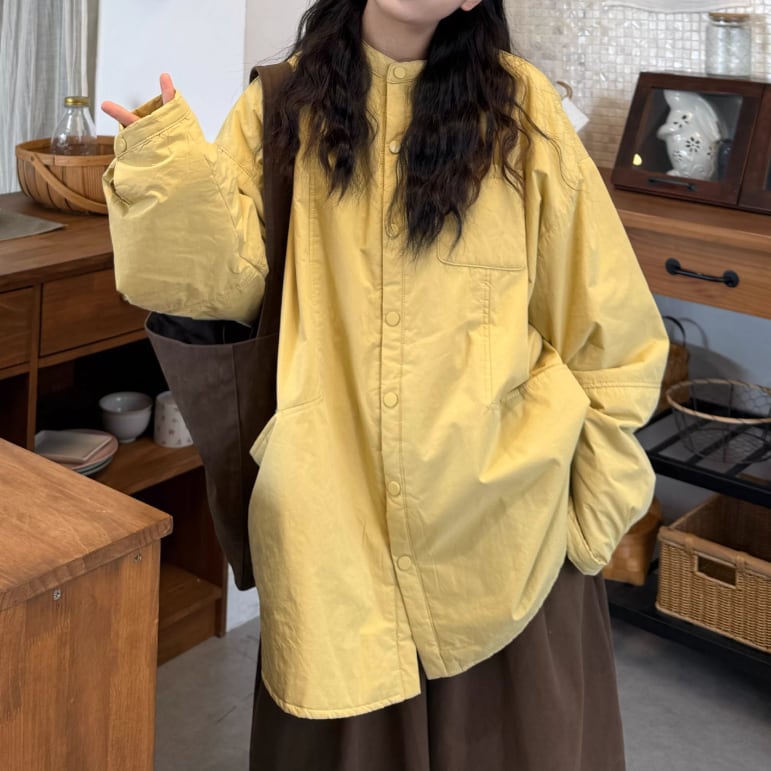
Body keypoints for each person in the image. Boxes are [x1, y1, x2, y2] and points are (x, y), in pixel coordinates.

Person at [102, 1, 668, 768]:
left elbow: (609, 331)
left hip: (508, 549)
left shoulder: (521, 108)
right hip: (336, 553)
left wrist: (586, 524)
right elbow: (213, 288)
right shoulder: (279, 106)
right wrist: (163, 174)